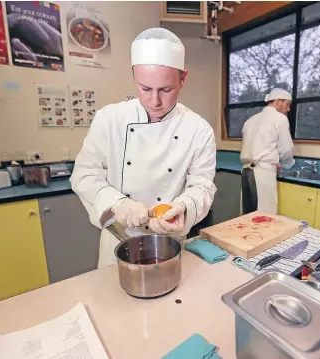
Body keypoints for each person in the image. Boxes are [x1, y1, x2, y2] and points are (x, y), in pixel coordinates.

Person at [70, 28, 217, 267]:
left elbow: (202, 186)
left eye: (166, 90)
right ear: (134, 78)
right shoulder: (109, 119)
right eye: (145, 89)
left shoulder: (198, 129)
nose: (155, 101)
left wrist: (182, 207)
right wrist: (118, 203)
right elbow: (84, 175)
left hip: (170, 238)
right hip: (118, 238)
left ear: (183, 79)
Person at [240, 88, 295, 215]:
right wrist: (287, 164)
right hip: (263, 173)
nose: (288, 110)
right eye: (287, 105)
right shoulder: (280, 119)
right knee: (264, 217)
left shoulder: (251, 120)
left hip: (246, 171)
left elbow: (249, 145)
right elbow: (286, 149)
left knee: (247, 215)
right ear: (277, 101)